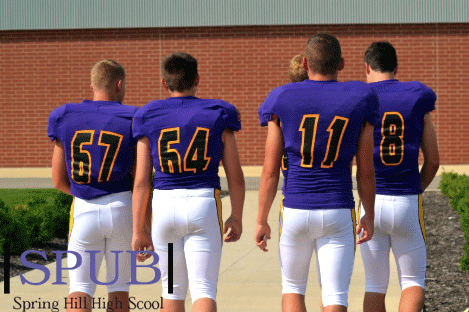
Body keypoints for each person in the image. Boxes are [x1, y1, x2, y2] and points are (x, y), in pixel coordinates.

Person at [255, 33, 378, 312]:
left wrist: (261, 219)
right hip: (337, 207)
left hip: (296, 207)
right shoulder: (360, 97)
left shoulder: (281, 96)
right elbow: (365, 171)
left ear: (305, 63)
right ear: (342, 63)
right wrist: (368, 213)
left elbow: (270, 171)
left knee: (293, 290)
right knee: (335, 295)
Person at [132, 52, 245, 312]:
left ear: (164, 82)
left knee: (171, 289)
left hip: (164, 207)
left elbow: (141, 181)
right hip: (202, 204)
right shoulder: (219, 112)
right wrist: (236, 215)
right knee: (203, 289)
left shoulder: (148, 114)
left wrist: (139, 229)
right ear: (197, 79)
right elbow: (235, 176)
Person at [48, 59, 138, 312]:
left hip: (84, 208)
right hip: (122, 206)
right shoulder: (132, 116)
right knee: (119, 289)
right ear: (119, 85)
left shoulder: (64, 115)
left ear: (92, 84)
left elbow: (58, 180)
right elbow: (139, 178)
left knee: (79, 289)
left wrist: (84, 193)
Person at [360, 41, 439, 312]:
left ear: (367, 67)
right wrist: (417, 188)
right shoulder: (417, 95)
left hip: (370, 201)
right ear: (396, 67)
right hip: (406, 198)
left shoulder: (359, 97)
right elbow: (433, 161)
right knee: (412, 282)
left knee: (374, 284)